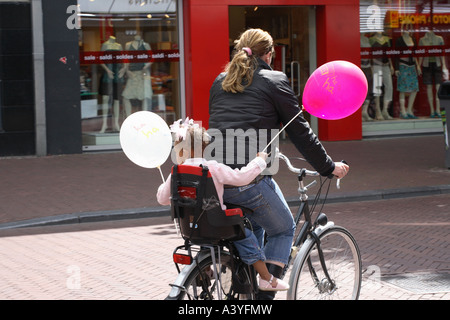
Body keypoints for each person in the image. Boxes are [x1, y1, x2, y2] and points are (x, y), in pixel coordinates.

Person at [208, 28, 349, 299]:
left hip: (216, 180)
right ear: (269, 54)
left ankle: (247, 286)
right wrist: (328, 167)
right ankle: (265, 296)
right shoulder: (274, 79)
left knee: (258, 226)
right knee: (284, 228)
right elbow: (300, 132)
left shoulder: (220, 81)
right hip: (248, 179)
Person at [157, 118, 289, 291]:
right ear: (203, 147)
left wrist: (163, 186)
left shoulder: (176, 171)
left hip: (190, 227)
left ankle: (205, 270)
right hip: (219, 224)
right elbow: (241, 177)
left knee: (207, 241)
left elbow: (163, 199)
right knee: (247, 238)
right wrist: (260, 161)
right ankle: (267, 279)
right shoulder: (213, 168)